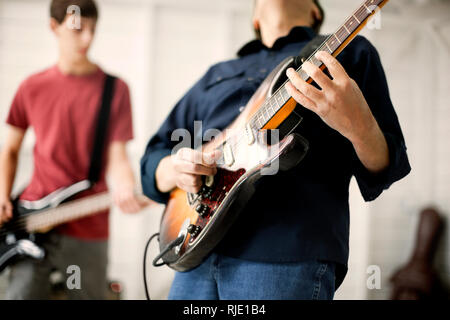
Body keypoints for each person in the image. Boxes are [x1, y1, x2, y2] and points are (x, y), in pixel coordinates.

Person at [140, 0, 411, 300]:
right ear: (255, 17)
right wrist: (174, 169)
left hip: (286, 250)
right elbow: (153, 158)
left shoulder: (349, 52)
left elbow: (388, 166)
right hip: (196, 248)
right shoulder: (216, 73)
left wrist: (360, 127)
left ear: (315, 12)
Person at [0, 0, 149, 299]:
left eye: (93, 30)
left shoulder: (115, 90)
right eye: (78, 29)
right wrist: (2, 193)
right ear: (54, 27)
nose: (88, 38)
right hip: (31, 222)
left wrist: (126, 186)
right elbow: (11, 148)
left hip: (88, 230)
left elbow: (117, 156)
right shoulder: (31, 87)